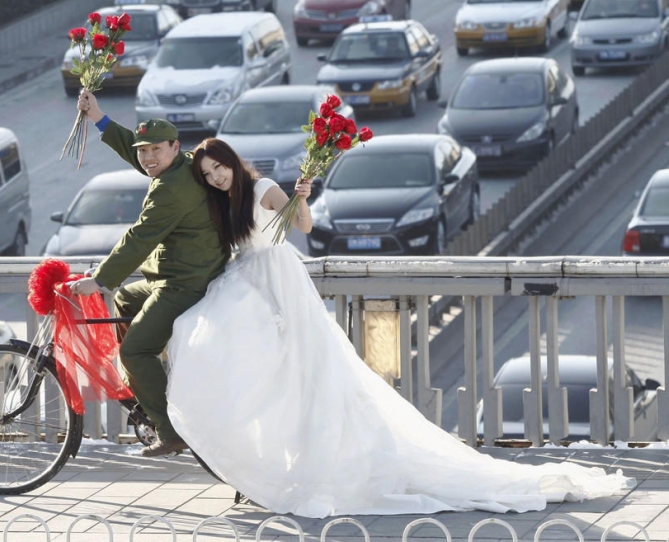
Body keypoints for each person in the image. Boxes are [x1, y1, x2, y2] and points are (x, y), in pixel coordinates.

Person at [164, 138, 635, 519]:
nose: (214, 176)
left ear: (230, 161)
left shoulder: (262, 186)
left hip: (278, 281)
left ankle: (316, 464)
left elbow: (301, 227)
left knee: (312, 372)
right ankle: (265, 454)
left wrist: (301, 198)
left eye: (217, 167)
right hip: (247, 281)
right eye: (207, 173)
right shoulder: (223, 202)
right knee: (233, 355)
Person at [67, 89, 228, 458]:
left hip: (186, 283)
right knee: (124, 299)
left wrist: (100, 279)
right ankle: (148, 383)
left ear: (174, 146)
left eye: (156, 149)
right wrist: (99, 117)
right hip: (184, 274)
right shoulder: (182, 164)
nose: (148, 157)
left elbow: (138, 238)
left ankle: (171, 429)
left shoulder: (171, 190)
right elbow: (134, 148)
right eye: (144, 151)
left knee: (134, 350)